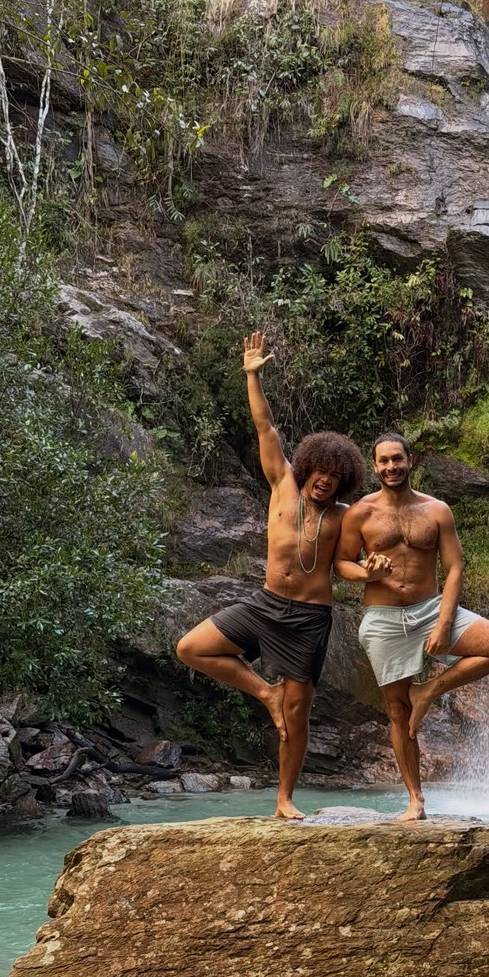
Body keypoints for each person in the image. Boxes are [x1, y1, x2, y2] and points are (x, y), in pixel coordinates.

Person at [175, 331, 366, 820]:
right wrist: (252, 374)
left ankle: (283, 800)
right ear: (307, 468)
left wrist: (373, 569)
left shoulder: (346, 515)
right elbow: (266, 428)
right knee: (191, 648)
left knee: (298, 716)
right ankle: (266, 693)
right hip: (263, 605)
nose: (325, 479)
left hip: (308, 619)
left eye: (335, 475)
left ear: (344, 480)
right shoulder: (282, 484)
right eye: (320, 470)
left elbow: (352, 559)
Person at [335, 432, 489, 821]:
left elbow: (454, 568)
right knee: (396, 711)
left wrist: (445, 620)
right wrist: (367, 571)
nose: (390, 467)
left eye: (397, 459)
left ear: (410, 460)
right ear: (374, 466)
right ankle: (415, 800)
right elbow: (342, 563)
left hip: (432, 608)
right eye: (383, 461)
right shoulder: (360, 513)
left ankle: (428, 690)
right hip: (383, 618)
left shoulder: (437, 511)